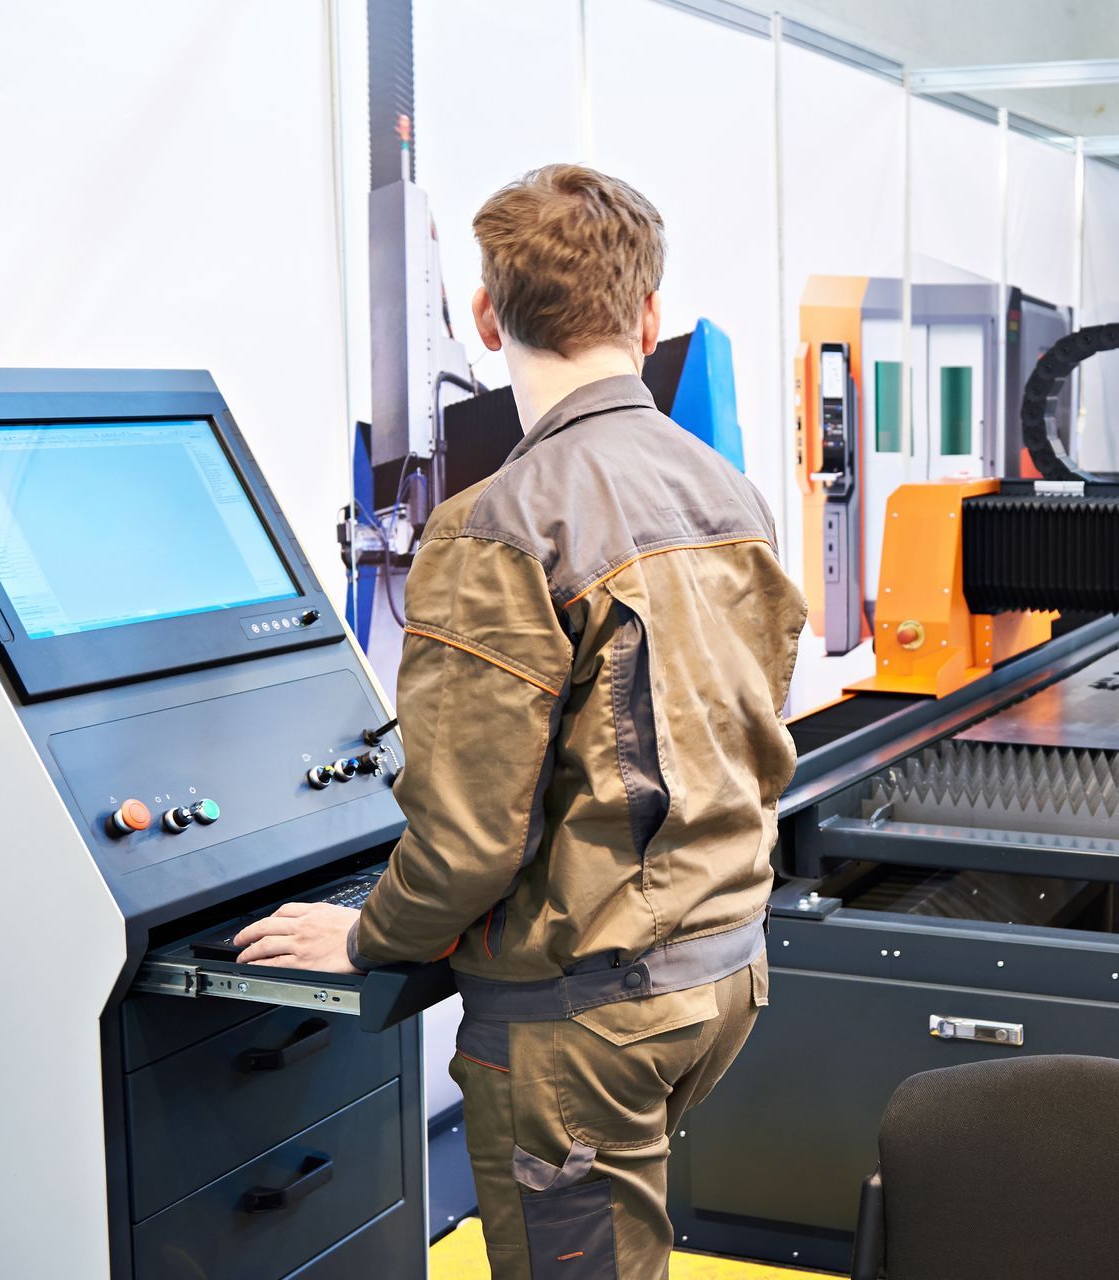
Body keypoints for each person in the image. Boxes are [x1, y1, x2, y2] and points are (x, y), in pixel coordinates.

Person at [232, 164, 807, 1280]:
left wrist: (363, 935)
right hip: (725, 968)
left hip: (585, 1015)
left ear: (488, 318)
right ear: (649, 316)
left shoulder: (496, 524)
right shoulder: (728, 490)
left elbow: (466, 840)